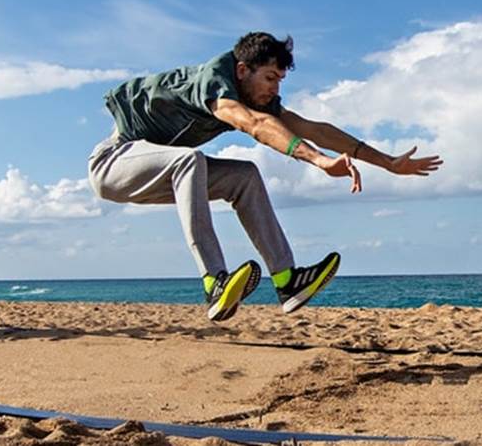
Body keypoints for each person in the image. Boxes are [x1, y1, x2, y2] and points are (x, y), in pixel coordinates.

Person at [90, 32, 443, 322]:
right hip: (115, 163)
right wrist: (318, 161)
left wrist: (387, 162)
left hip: (164, 173)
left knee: (245, 175)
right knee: (190, 161)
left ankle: (287, 280)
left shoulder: (255, 94)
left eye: (280, 80)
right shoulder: (214, 82)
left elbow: (311, 128)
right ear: (243, 70)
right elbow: (254, 125)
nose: (275, 89)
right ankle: (214, 280)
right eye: (270, 78)